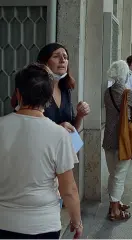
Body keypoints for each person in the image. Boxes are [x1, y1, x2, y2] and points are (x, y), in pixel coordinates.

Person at [0, 63, 82, 239]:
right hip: (43, 225)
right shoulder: (59, 134)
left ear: (18, 94)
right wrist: (76, 221)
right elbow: (69, 189)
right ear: (48, 98)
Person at [11, 43, 90, 132]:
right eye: (56, 56)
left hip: (64, 145)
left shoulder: (66, 90)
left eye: (65, 57)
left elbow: (72, 129)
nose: (62, 60)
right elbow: (24, 125)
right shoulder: (34, 88)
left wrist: (80, 115)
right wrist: (56, 129)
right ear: (44, 62)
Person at [103, 60, 132, 221]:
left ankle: (116, 202)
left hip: (108, 139)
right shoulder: (128, 94)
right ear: (125, 75)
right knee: (120, 175)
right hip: (123, 139)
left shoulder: (107, 92)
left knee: (113, 173)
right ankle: (115, 211)